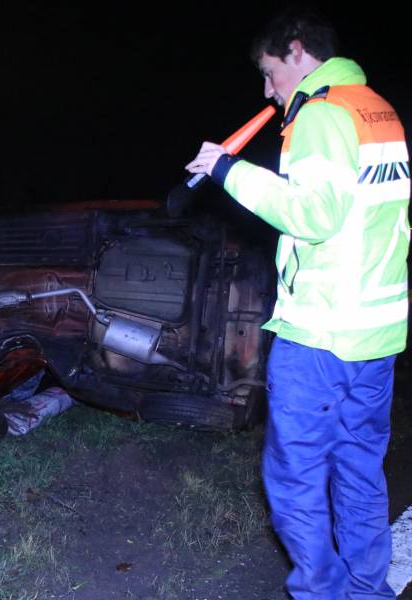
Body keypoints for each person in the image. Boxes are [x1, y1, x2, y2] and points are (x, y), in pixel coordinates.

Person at [185, 10, 410, 600]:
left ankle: (322, 593)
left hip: (322, 336)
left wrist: (228, 171)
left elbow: (315, 215)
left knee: (297, 479)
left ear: (295, 50)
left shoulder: (320, 115)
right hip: (377, 333)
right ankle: (366, 589)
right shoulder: (375, 109)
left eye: (268, 72)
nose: (267, 89)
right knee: (360, 470)